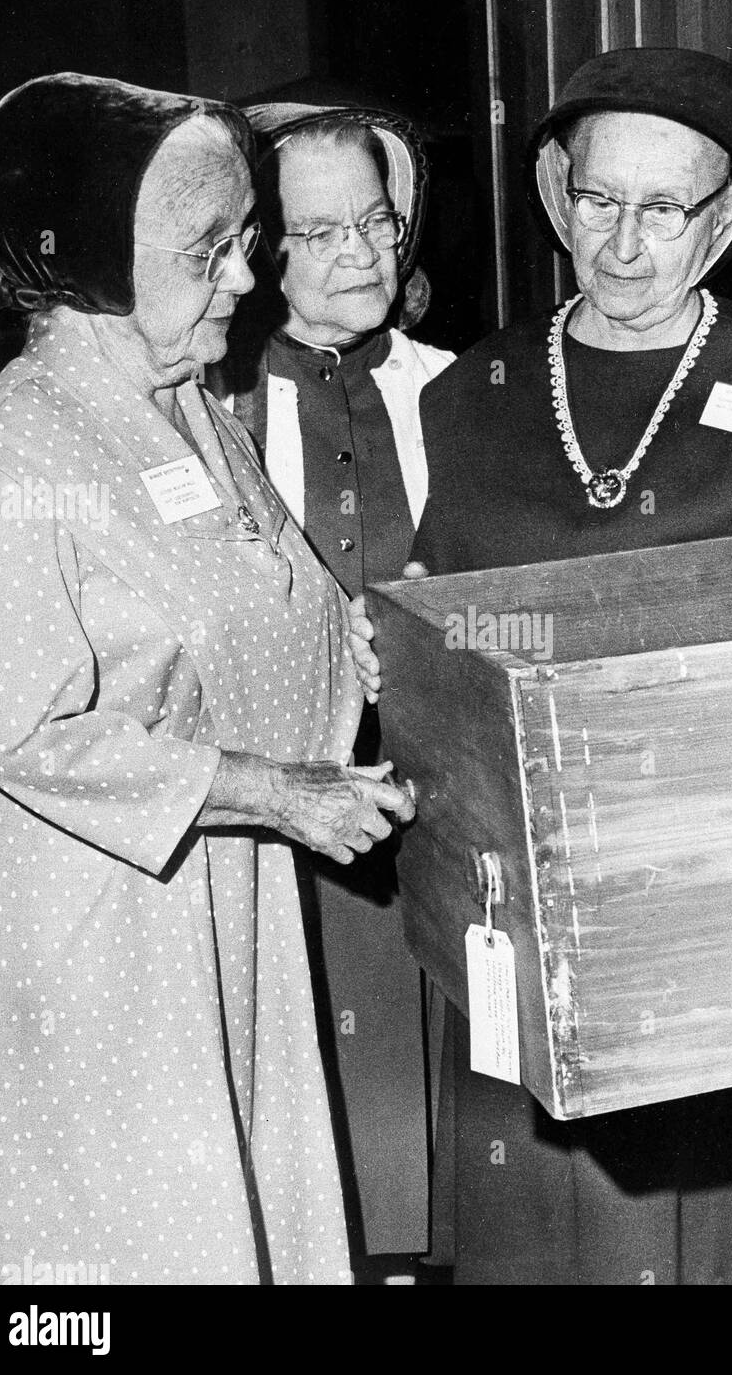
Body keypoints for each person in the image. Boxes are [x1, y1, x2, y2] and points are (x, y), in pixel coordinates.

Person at [0, 72, 413, 1286]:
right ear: (97, 264)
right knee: (124, 1248)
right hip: (104, 936)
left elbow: (268, 591)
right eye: (209, 251)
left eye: (247, 244)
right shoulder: (14, 451)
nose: (251, 281)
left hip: (221, 900)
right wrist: (272, 789)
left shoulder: (188, 401)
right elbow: (23, 732)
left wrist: (363, 653)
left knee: (235, 1214)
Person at [409, 48, 732, 1284]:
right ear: (558, 193)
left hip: (728, 896)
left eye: (664, 211)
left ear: (722, 221)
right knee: (554, 1236)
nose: (623, 243)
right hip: (521, 893)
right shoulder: (471, 393)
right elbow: (432, 623)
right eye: (600, 200)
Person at [213, 101, 454, 1264]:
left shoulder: (467, 390)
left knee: (458, 1140)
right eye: (319, 234)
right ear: (260, 252)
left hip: (447, 821)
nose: (361, 253)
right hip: (285, 833)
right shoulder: (213, 419)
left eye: (376, 220)